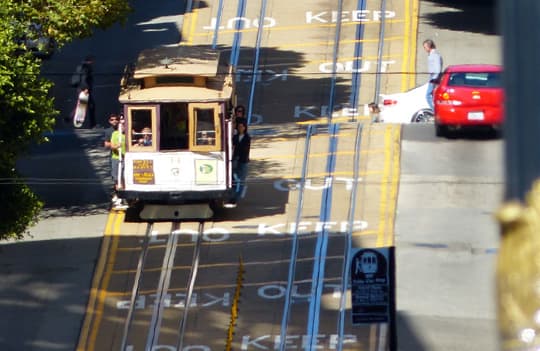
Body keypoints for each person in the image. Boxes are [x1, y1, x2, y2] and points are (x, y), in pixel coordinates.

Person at [227, 119, 251, 207]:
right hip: (235, 160)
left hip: (243, 161)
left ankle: (236, 198)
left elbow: (244, 150)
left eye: (242, 127)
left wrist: (238, 153)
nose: (240, 128)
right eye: (239, 126)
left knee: (241, 180)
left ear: (245, 128)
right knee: (233, 178)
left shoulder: (247, 138)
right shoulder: (235, 137)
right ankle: (232, 196)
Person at [72, 55, 96, 128]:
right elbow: (84, 78)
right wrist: (86, 88)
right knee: (90, 106)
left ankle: (70, 118)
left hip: (80, 88)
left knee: (82, 105)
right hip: (84, 89)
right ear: (90, 61)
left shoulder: (81, 67)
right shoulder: (86, 68)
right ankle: (92, 124)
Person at [110, 117, 126, 207]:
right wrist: (117, 146)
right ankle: (120, 196)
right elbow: (112, 146)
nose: (122, 126)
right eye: (121, 125)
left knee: (124, 178)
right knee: (117, 179)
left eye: (124, 125)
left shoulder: (127, 135)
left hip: (125, 159)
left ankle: (124, 197)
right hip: (116, 158)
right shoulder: (115, 134)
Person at [423, 39, 443, 110]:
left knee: (428, 95)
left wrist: (434, 79)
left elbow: (438, 69)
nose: (424, 49)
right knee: (433, 95)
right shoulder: (432, 54)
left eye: (425, 47)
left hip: (434, 78)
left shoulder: (435, 55)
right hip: (432, 77)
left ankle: (435, 111)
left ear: (429, 46)